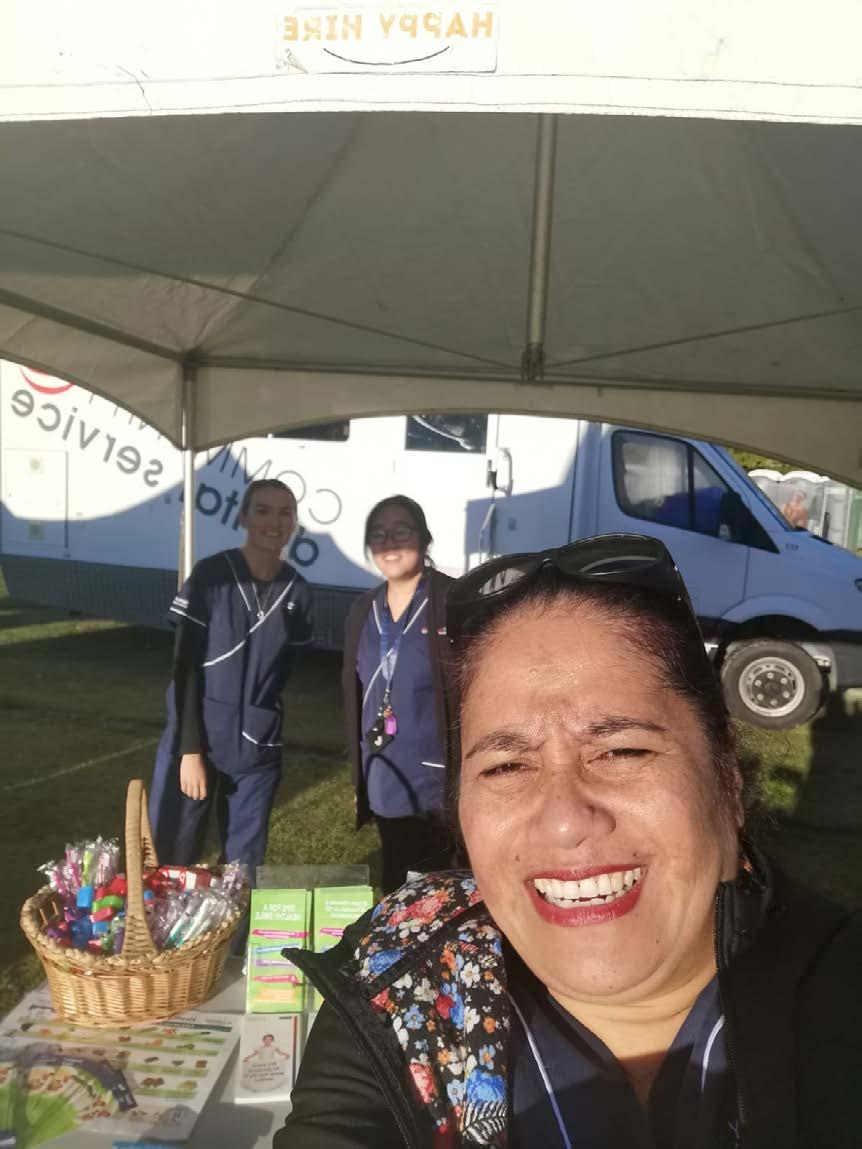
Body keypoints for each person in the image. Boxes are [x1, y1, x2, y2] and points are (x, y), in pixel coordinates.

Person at [277, 534, 861, 1149]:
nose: (563, 820)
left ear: (728, 780)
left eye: (621, 750)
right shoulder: (401, 970)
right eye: (506, 765)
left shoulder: (837, 990)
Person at [149, 479, 313, 875]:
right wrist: (190, 751)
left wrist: (260, 714)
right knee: (172, 855)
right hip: (197, 737)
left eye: (285, 512)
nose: (274, 521)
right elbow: (184, 666)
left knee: (243, 866)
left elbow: (284, 668)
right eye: (262, 510)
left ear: (294, 522)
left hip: (256, 745)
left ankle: (235, 921)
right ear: (242, 517)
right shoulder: (211, 575)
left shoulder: (298, 591)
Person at [342, 495, 455, 893]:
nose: (389, 542)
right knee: (395, 885)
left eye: (401, 531)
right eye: (379, 533)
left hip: (439, 783)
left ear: (424, 538)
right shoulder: (363, 610)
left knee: (441, 889)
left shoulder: (451, 601)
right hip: (385, 773)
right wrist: (359, 779)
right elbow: (354, 694)